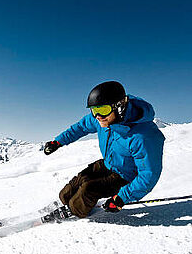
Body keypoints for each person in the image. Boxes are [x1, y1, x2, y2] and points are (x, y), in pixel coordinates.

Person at [44, 81, 165, 218]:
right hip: (110, 163)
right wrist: (58, 142)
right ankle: (67, 203)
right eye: (94, 111)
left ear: (119, 107)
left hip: (126, 176)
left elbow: (148, 175)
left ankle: (75, 212)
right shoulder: (103, 118)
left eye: (103, 110)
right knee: (76, 183)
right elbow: (80, 127)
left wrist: (122, 197)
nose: (98, 116)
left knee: (88, 189)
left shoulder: (143, 136)